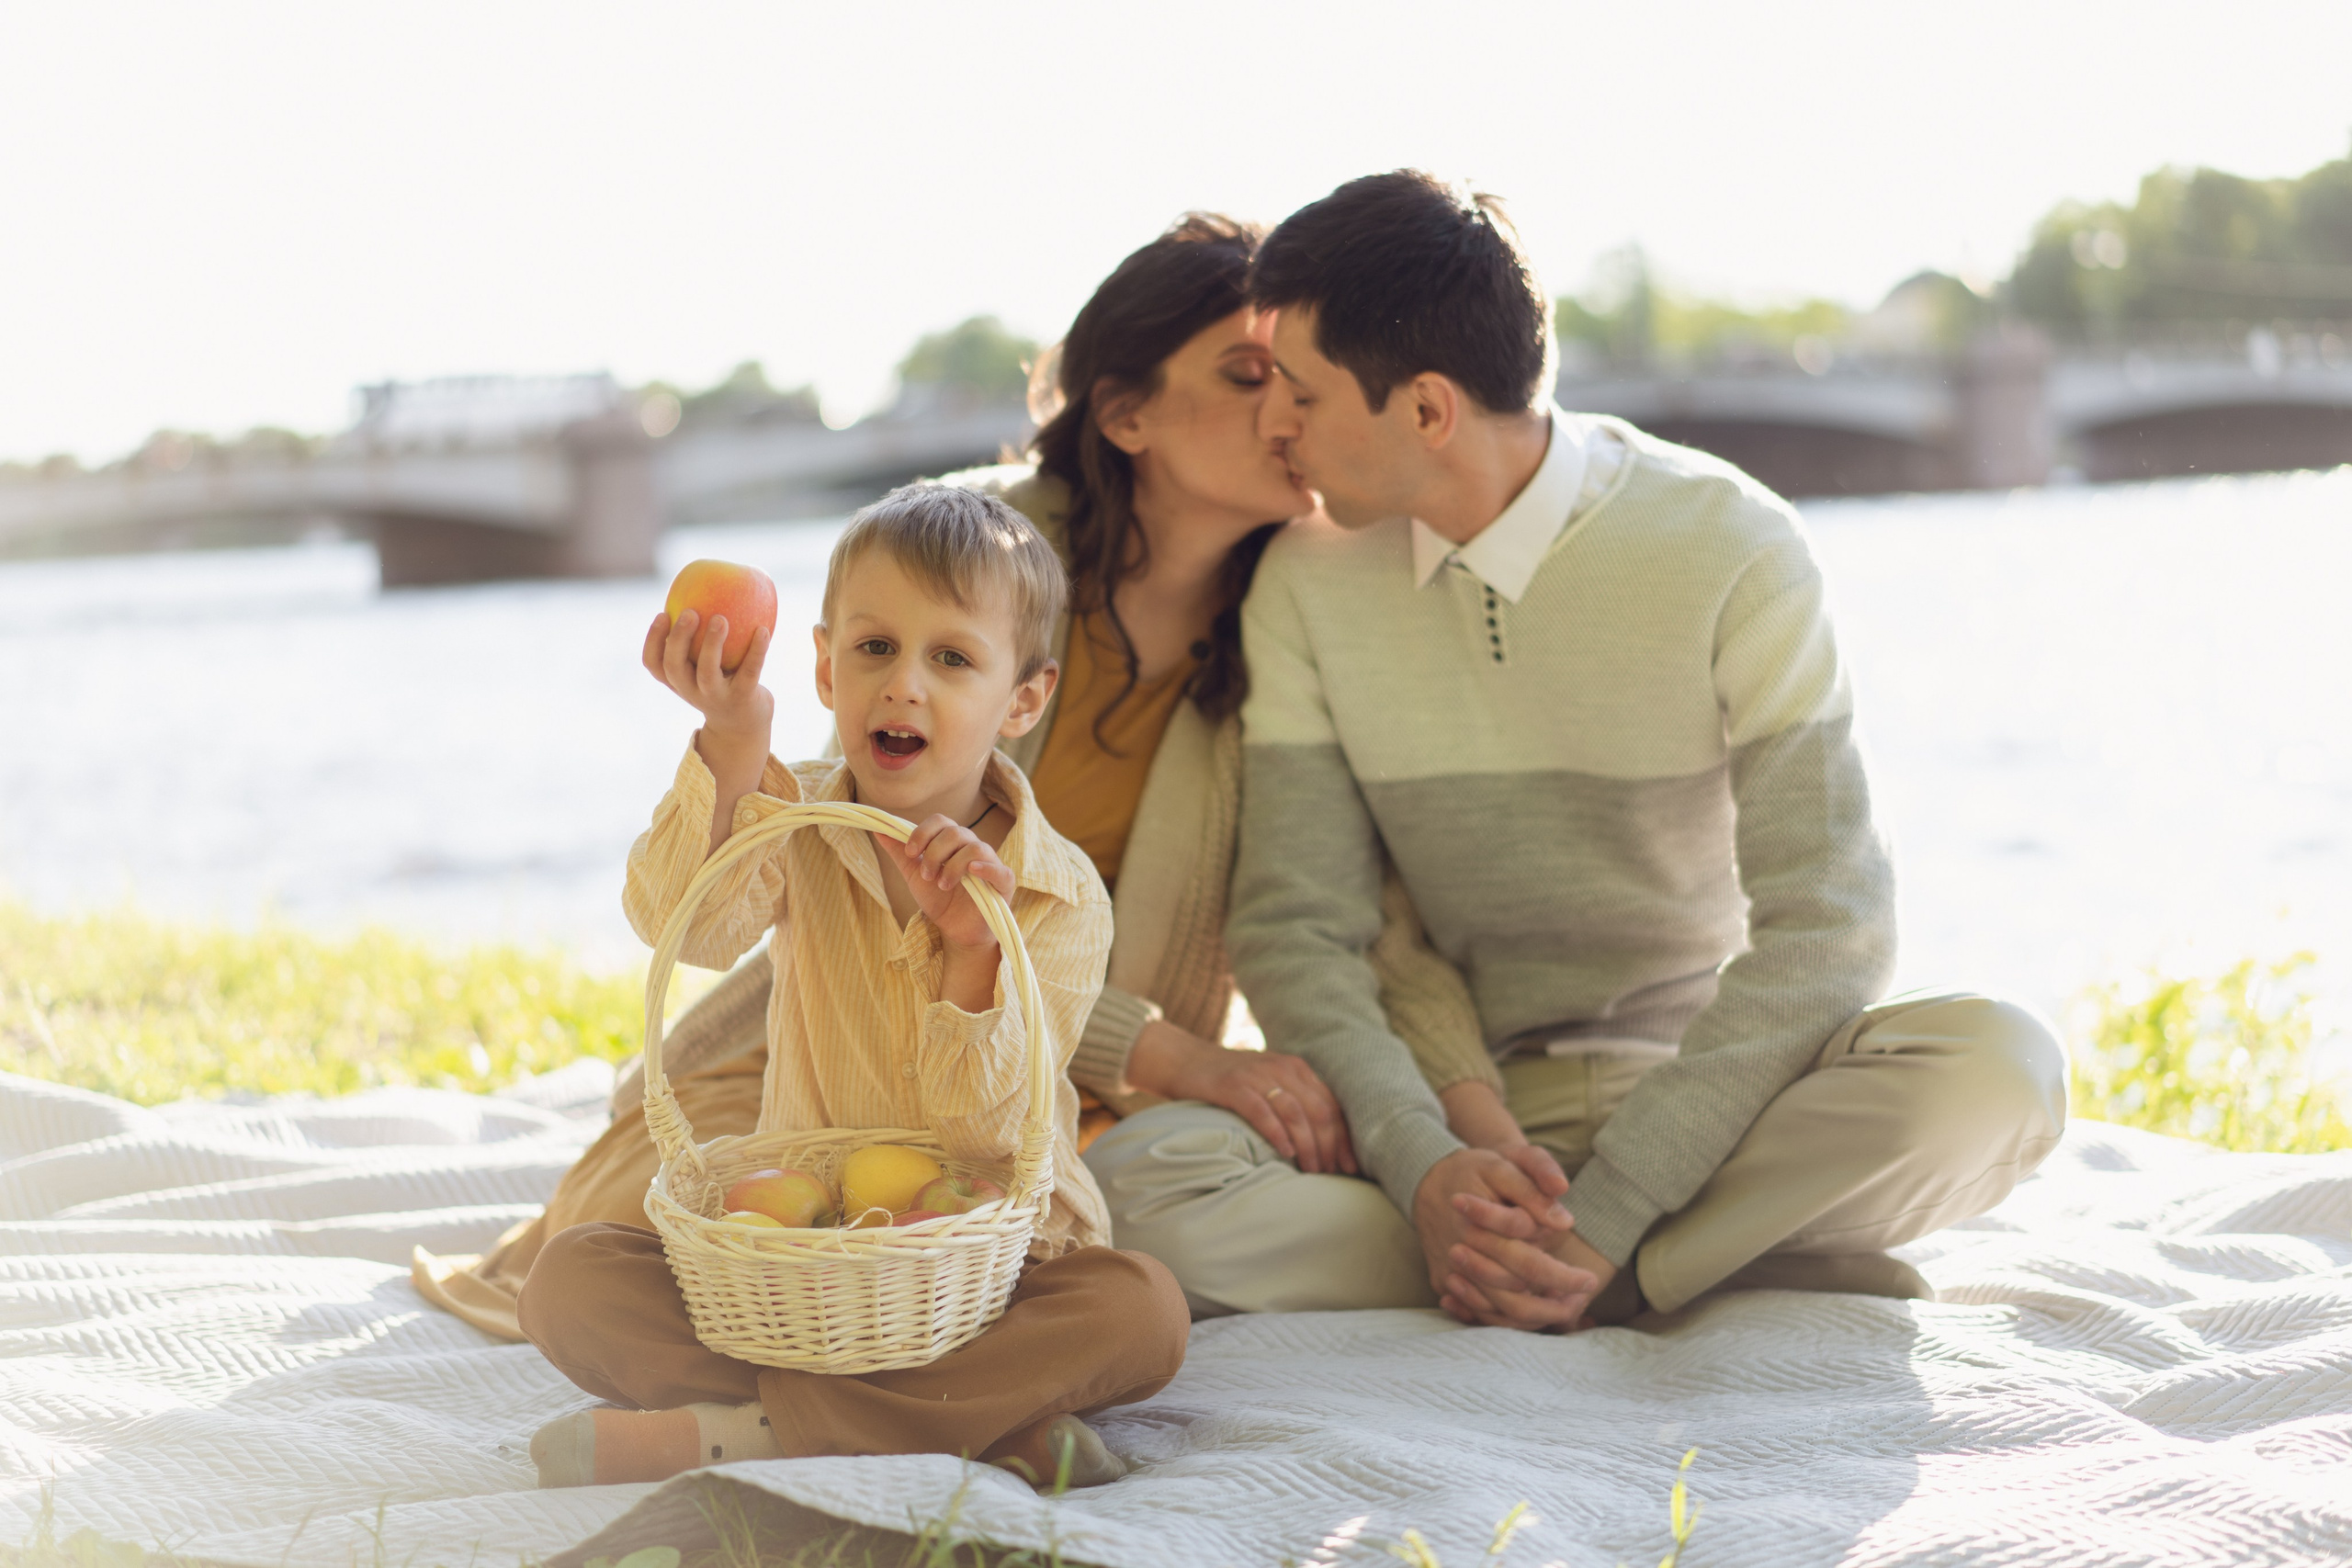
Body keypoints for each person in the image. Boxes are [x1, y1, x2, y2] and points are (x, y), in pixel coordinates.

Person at [412, 213, 1487, 1336]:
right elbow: (828, 860)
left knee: (1085, 1267)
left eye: (1298, 381)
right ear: (1124, 415)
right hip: (823, 1056)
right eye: (1244, 375)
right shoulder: (977, 556)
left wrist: (1446, 1126)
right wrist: (1179, 1056)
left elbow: (1348, 910)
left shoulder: (1308, 608)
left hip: (1055, 1090)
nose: (1286, 413)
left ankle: (852, 1374)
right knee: (667, 1252)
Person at [1083, 171, 2070, 1331]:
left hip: (1719, 1094)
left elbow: (1833, 928)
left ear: (1427, 411)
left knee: (2002, 1072)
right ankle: (1690, 1258)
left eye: (1298, 391)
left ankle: (1595, 1279)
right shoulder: (1307, 580)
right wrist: (1426, 1164)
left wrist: (1611, 1220)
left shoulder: (1731, 546)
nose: (1277, 426)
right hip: (1463, 1112)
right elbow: (1297, 929)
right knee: (1138, 1185)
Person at [520, 484, 1187, 1490]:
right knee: (569, 1281)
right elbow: (685, 925)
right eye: (875, 649)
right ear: (826, 666)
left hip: (992, 1273)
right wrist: (735, 739)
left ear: (1024, 699)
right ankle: (976, 1427)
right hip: (795, 1261)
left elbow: (983, 1141)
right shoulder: (795, 824)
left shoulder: (1059, 894)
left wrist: (972, 962)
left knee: (1140, 1311)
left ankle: (740, 1435)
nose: (902, 686)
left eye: (951, 658)